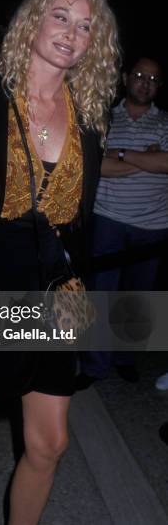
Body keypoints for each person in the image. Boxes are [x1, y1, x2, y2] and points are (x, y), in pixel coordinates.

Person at [0, 0, 120, 525]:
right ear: (33, 17)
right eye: (61, 15)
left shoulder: (91, 116)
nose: (71, 32)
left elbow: (79, 219)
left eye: (86, 26)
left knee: (50, 443)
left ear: (95, 43)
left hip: (59, 292)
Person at [76, 57, 168, 390]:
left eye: (154, 79)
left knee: (139, 298)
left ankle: (125, 359)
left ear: (160, 86)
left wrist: (119, 154)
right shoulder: (103, 118)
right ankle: (94, 365)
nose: (146, 82)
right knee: (100, 296)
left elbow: (166, 164)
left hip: (154, 225)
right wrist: (146, 158)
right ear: (127, 78)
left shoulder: (165, 123)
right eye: (141, 75)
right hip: (108, 219)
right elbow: (95, 166)